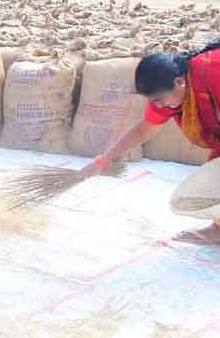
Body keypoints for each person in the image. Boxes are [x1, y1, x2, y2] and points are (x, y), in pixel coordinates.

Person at [80, 41, 220, 243]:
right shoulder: (171, 90)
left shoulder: (212, 70)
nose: (158, 106)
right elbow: (144, 129)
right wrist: (103, 161)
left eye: (158, 100)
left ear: (180, 82)